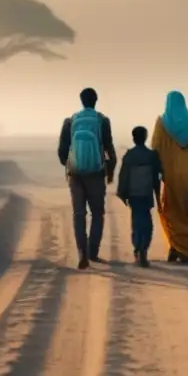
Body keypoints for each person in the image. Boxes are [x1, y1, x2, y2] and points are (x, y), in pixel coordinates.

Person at [57, 87, 117, 269]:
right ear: (95, 101)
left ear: (81, 101)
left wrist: (71, 163)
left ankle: (82, 253)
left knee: (78, 214)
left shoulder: (70, 121)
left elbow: (62, 151)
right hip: (96, 174)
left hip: (75, 174)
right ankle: (93, 251)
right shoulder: (102, 121)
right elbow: (109, 149)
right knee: (97, 213)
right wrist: (110, 171)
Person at [151, 90, 188, 263]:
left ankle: (176, 246)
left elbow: (155, 147)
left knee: (171, 210)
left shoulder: (161, 123)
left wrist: (155, 171)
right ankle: (185, 249)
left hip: (171, 173)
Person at [116, 125, 162, 267]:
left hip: (133, 195)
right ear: (145, 137)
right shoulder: (152, 155)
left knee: (136, 222)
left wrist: (123, 194)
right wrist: (158, 196)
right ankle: (143, 249)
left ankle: (137, 249)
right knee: (147, 223)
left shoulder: (129, 156)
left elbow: (123, 176)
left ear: (133, 138)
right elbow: (157, 178)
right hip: (146, 194)